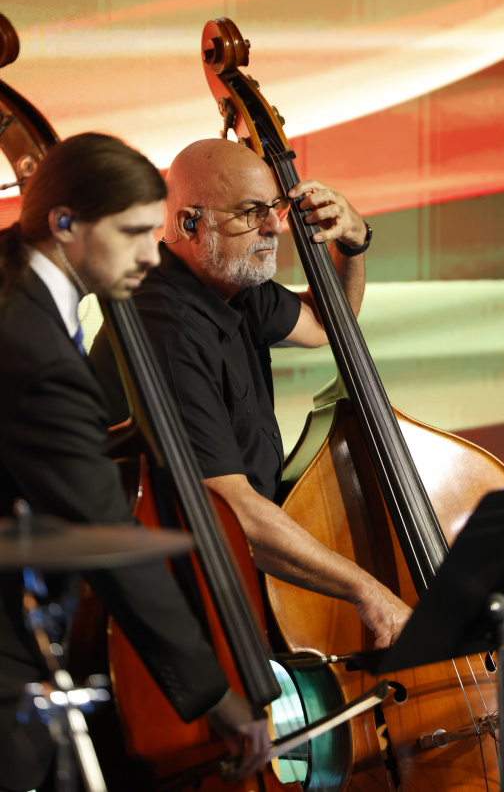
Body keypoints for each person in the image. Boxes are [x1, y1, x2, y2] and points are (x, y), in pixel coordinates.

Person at [0, 133, 270, 792]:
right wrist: (215, 694)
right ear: (64, 223)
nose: (152, 256)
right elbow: (107, 536)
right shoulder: (36, 353)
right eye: (132, 234)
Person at [90, 137, 411, 648]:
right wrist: (367, 591)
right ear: (189, 223)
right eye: (250, 212)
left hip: (227, 576)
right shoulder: (164, 327)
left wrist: (352, 243)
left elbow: (328, 324)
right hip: (178, 607)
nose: (275, 227)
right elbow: (230, 508)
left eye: (274, 208)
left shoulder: (230, 281)